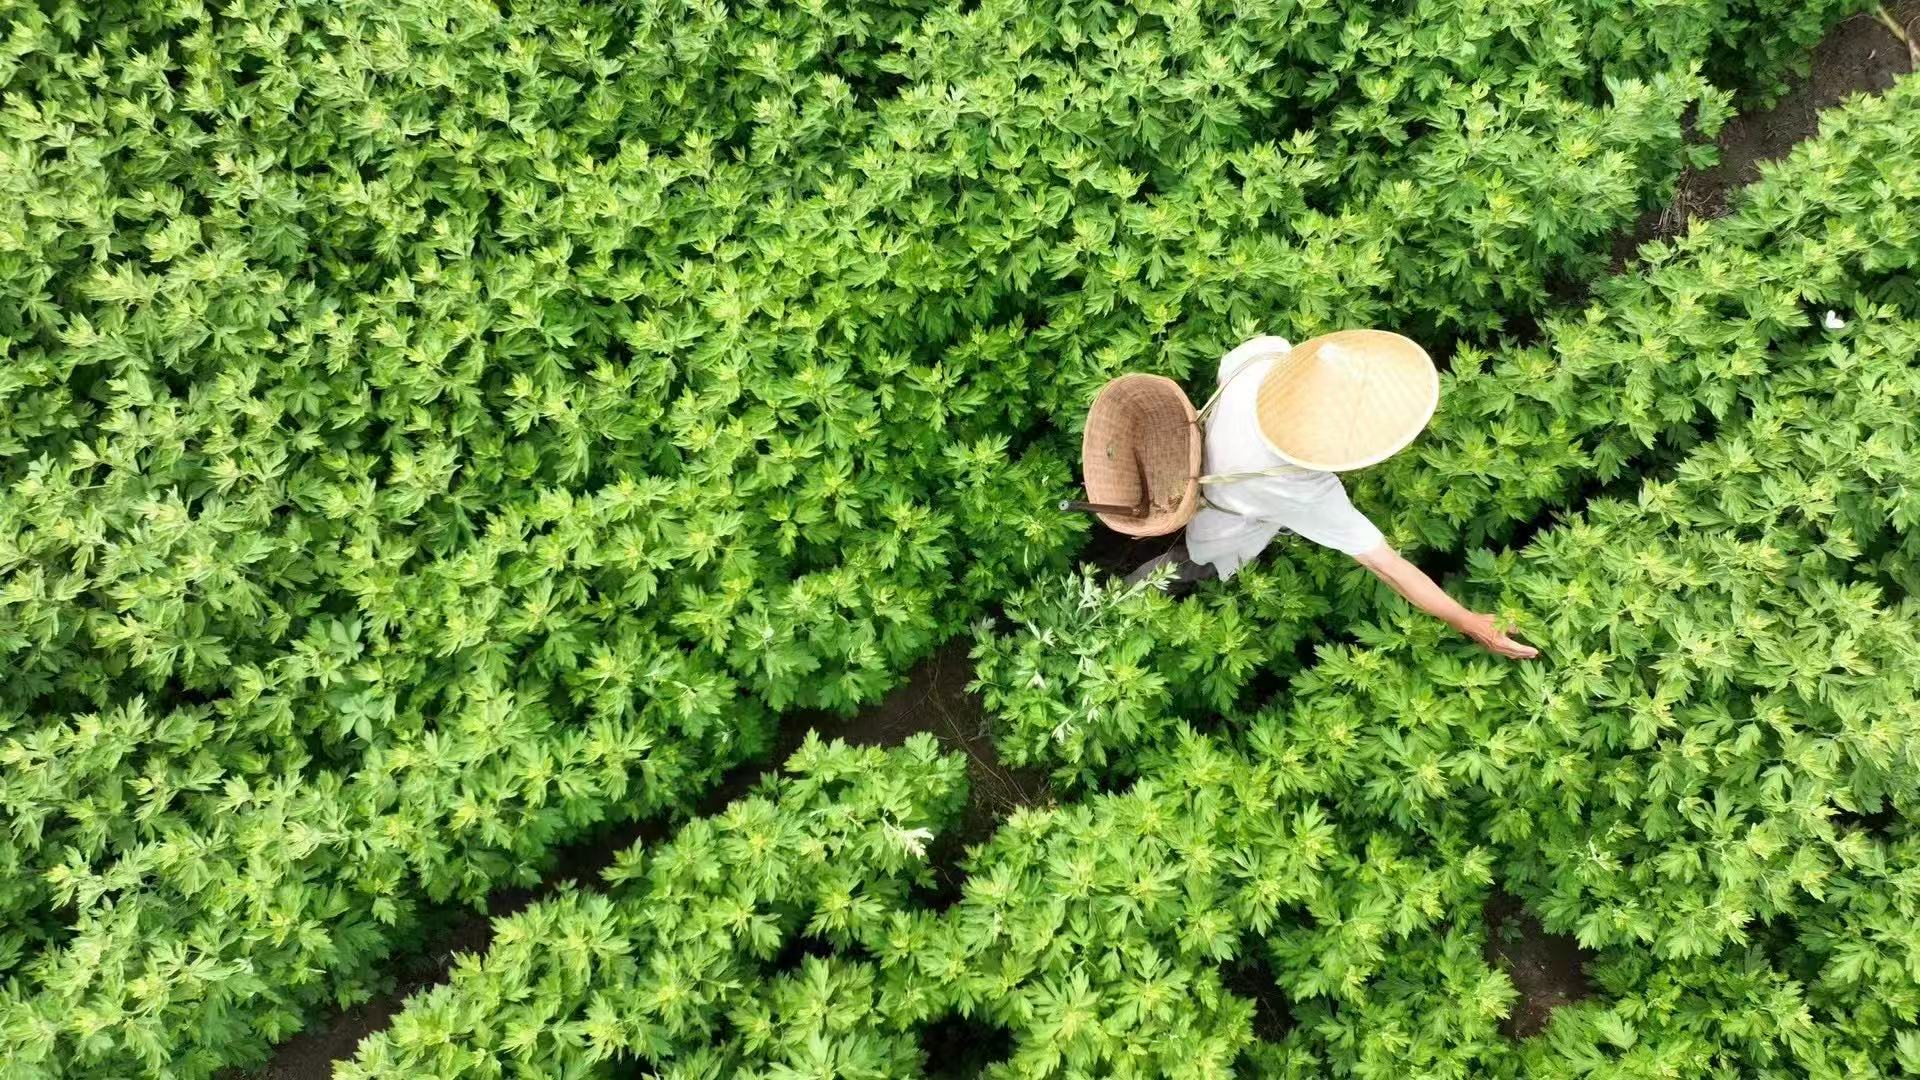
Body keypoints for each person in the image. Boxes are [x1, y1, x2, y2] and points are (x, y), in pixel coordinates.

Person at [1126, 331, 1538, 660]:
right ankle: (1119, 603)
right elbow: (1388, 567)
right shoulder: (1302, 488)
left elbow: (1227, 372)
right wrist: (1471, 622)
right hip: (1219, 529)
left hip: (1184, 468)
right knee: (1182, 568)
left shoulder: (1263, 356)